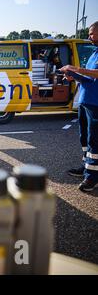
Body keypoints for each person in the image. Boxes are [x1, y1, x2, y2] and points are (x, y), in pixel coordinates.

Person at [61, 21, 98, 192]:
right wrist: (73, 76)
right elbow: (89, 78)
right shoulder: (94, 53)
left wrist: (74, 68)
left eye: (92, 33)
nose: (89, 36)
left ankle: (92, 177)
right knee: (84, 138)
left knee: (94, 141)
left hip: (95, 103)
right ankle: (86, 167)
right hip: (85, 100)